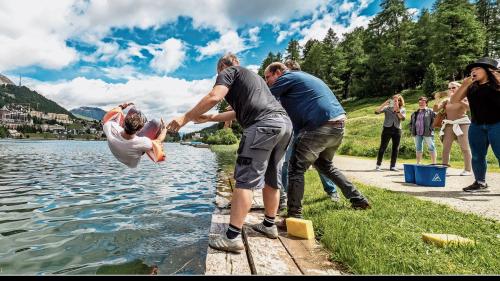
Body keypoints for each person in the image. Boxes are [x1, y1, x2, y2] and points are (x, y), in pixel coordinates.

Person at [167, 53, 292, 253]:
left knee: (245, 181)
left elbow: (214, 96)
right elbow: (236, 112)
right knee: (272, 178)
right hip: (284, 126)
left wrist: (185, 118)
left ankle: (232, 237)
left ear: (221, 67)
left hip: (262, 126)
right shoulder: (255, 79)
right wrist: (209, 118)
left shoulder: (229, 72)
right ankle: (269, 225)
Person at [264, 62, 370, 220]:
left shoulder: (286, 77)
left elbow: (264, 97)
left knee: (295, 168)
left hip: (319, 126)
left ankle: (293, 216)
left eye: (267, 77)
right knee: (324, 165)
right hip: (338, 126)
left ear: (278, 72)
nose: (267, 81)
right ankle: (358, 199)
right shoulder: (302, 77)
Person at [277, 60, 340, 210]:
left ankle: (332, 192)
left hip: (309, 130)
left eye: (286, 72)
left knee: (316, 163)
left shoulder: (297, 84)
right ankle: (284, 198)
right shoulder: (290, 90)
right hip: (295, 130)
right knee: (287, 165)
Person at [451, 57, 500, 192]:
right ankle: (480, 182)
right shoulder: (471, 87)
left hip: (497, 124)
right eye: (472, 69)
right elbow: (454, 100)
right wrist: (464, 85)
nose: (473, 71)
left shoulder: (497, 84)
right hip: (477, 125)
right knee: (477, 155)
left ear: (487, 70)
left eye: (477, 68)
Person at [102, 102, 167, 168]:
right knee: (156, 122)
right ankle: (146, 123)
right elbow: (158, 141)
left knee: (134, 110)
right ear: (139, 129)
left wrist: (121, 106)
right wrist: (164, 129)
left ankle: (143, 122)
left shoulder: (109, 126)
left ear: (124, 122)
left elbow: (110, 116)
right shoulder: (143, 142)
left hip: (119, 150)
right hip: (132, 159)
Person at [433, 82, 472, 175]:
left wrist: (459, 99)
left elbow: (469, 108)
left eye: (453, 87)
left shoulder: (465, 98)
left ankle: (467, 169)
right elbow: (435, 109)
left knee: (465, 148)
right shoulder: (447, 100)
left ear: (459, 88)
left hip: (462, 124)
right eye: (449, 88)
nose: (451, 90)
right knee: (446, 148)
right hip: (449, 124)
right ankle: (444, 168)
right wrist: (437, 100)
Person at [374, 94, 406, 171]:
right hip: (387, 129)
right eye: (393, 100)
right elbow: (376, 112)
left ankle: (393, 166)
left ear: (399, 101)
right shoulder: (387, 108)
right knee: (383, 147)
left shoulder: (402, 109)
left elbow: (402, 118)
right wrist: (385, 103)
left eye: (397, 100)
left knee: (395, 148)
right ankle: (378, 165)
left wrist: (397, 110)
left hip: (397, 130)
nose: (395, 101)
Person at [409, 96, 436, 164]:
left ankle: (434, 163)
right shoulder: (415, 113)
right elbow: (411, 123)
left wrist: (431, 128)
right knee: (418, 148)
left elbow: (435, 121)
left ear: (426, 103)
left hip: (428, 133)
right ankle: (418, 163)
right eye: (420, 103)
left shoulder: (431, 111)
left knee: (431, 147)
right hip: (417, 133)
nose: (421, 104)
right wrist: (411, 129)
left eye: (423, 102)